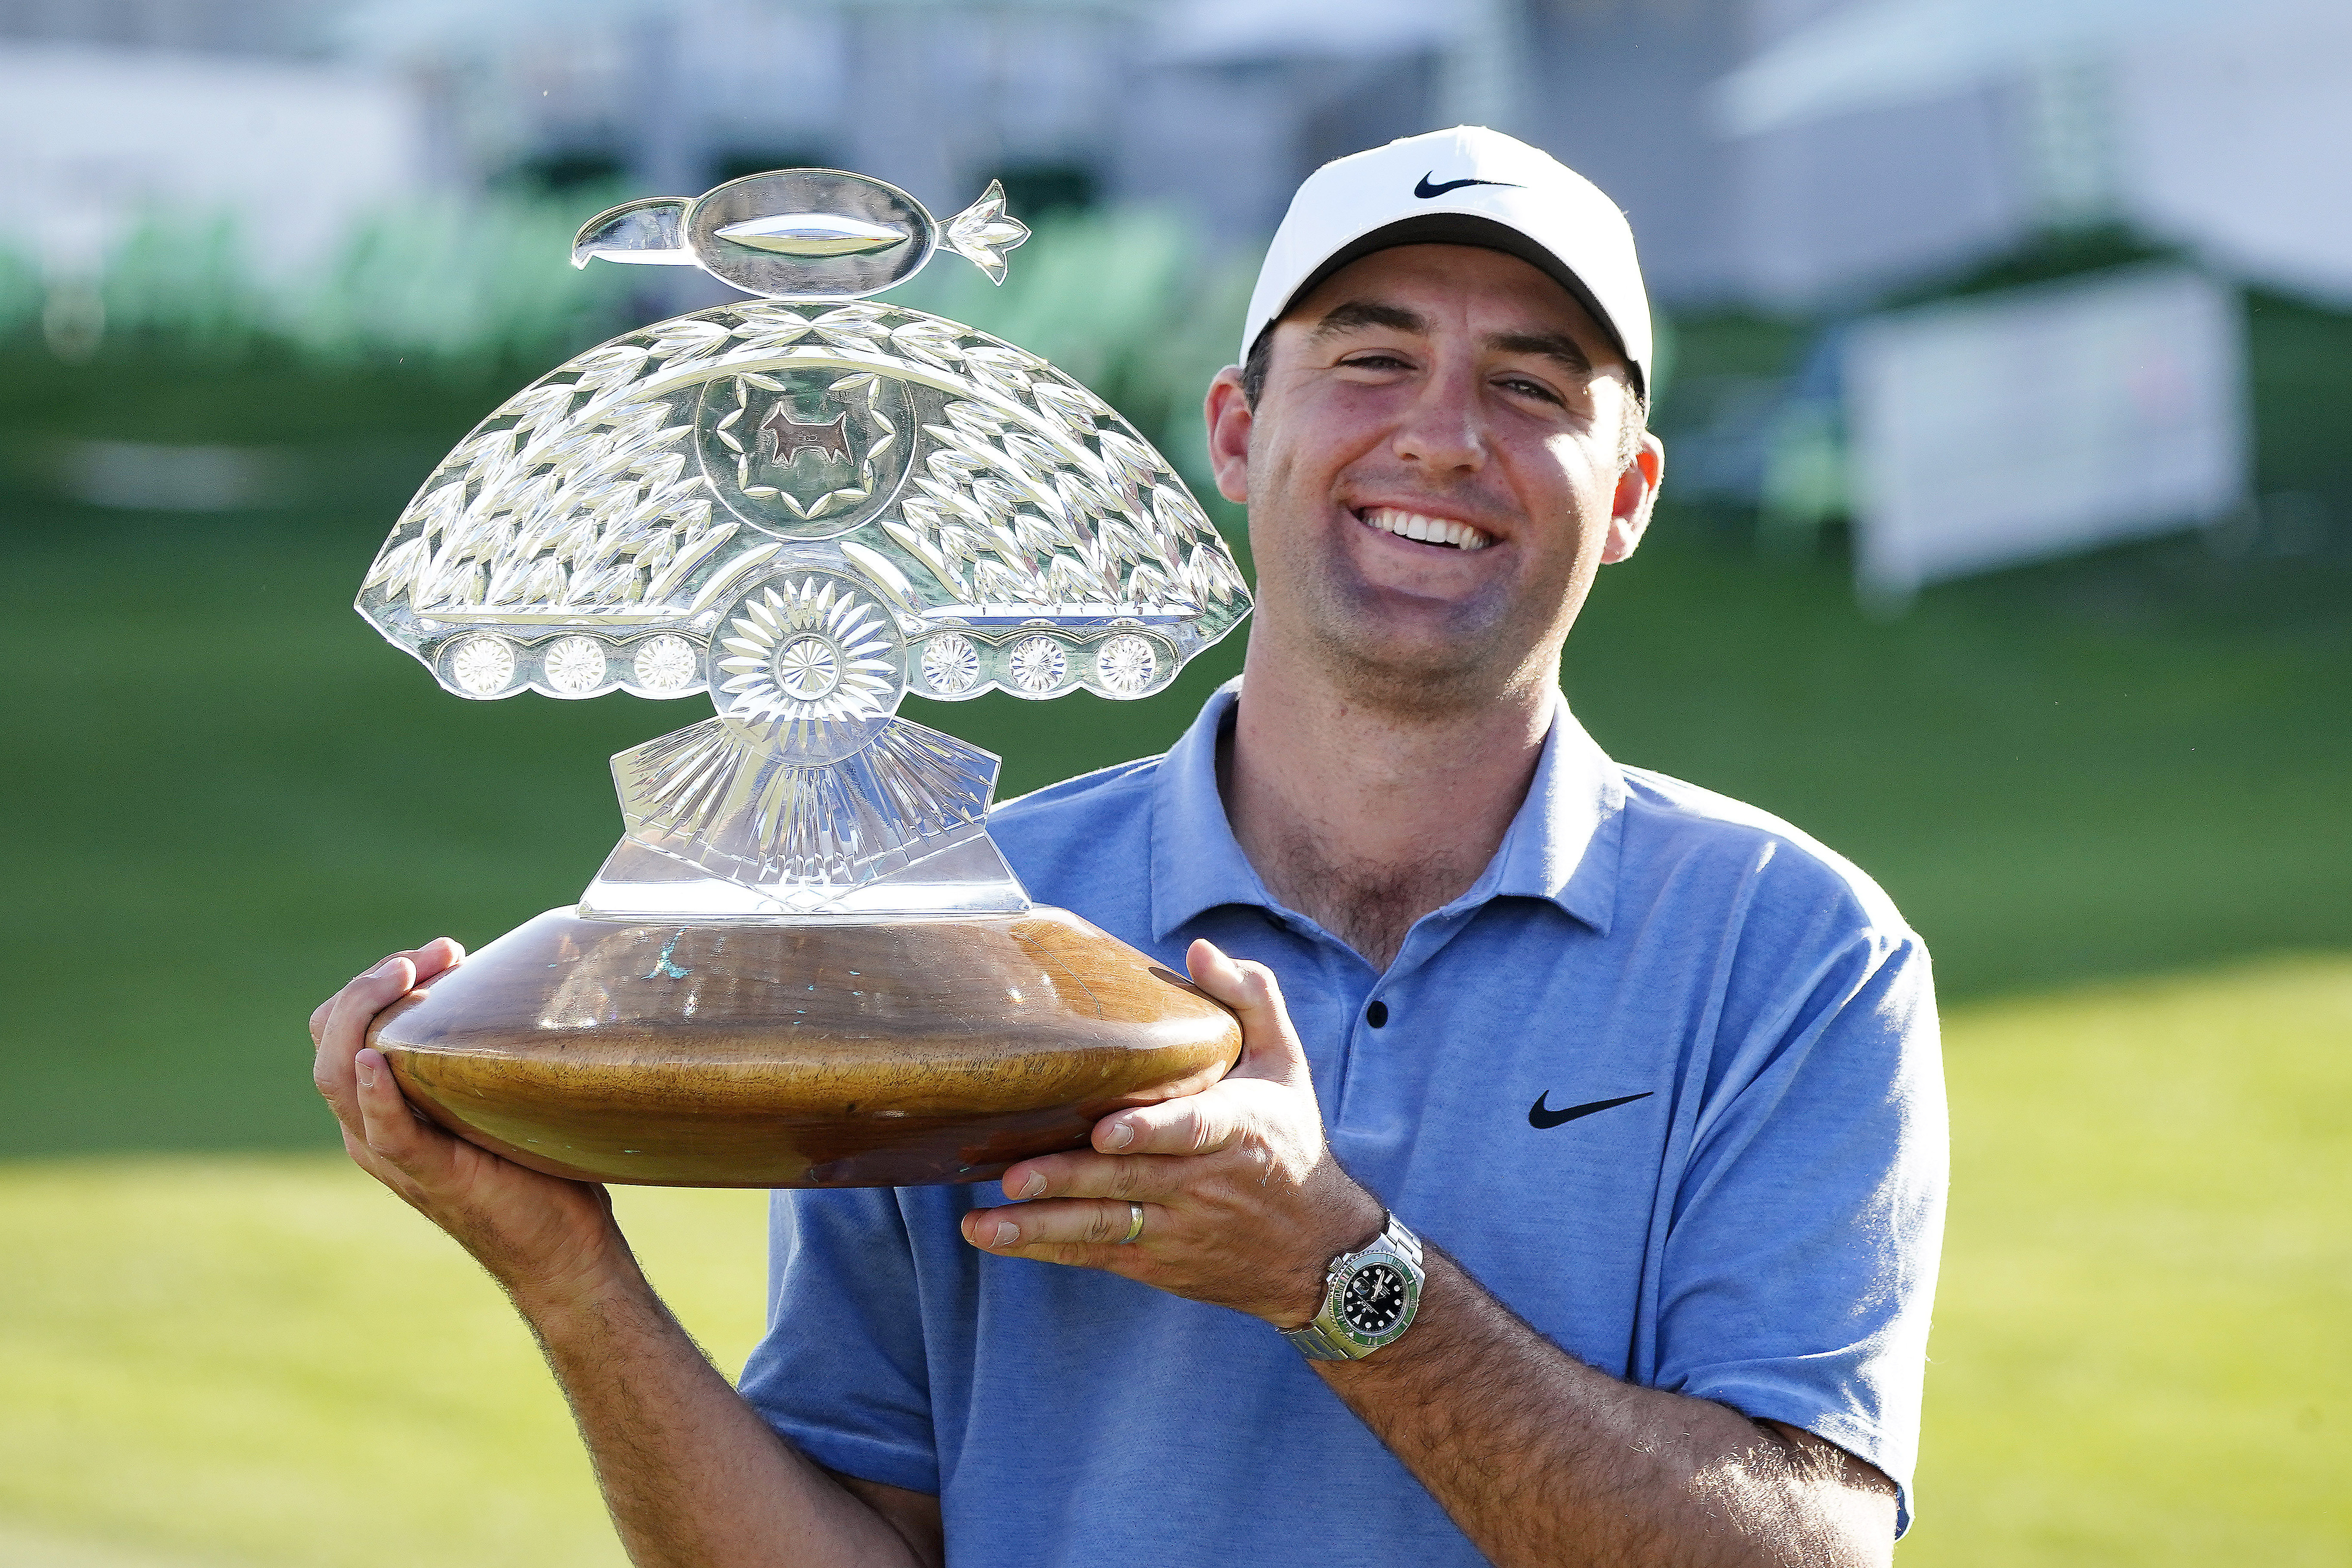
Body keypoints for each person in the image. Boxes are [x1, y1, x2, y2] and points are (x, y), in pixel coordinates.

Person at [311, 126, 1945, 1568]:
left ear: (1634, 487)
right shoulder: (937, 939)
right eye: (1369, 360)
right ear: (1235, 432)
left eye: (1530, 385)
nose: (1444, 437)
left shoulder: (1790, 951)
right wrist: (569, 1278)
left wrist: (1337, 1273)